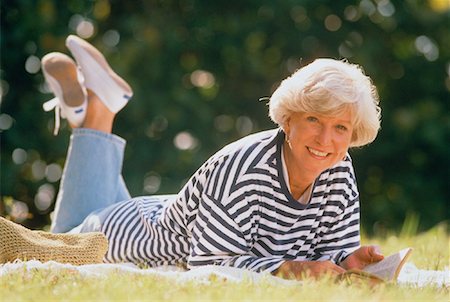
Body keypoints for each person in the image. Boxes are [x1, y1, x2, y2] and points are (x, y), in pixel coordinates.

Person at [29, 35, 386, 279]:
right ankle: (96, 111)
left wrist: (348, 264)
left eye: (340, 127)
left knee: (89, 150)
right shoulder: (244, 169)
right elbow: (211, 266)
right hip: (115, 236)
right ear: (289, 119)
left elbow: (327, 258)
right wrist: (291, 270)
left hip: (150, 212)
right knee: (56, 239)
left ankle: (94, 111)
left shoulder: (338, 167)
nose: (326, 139)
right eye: (313, 120)